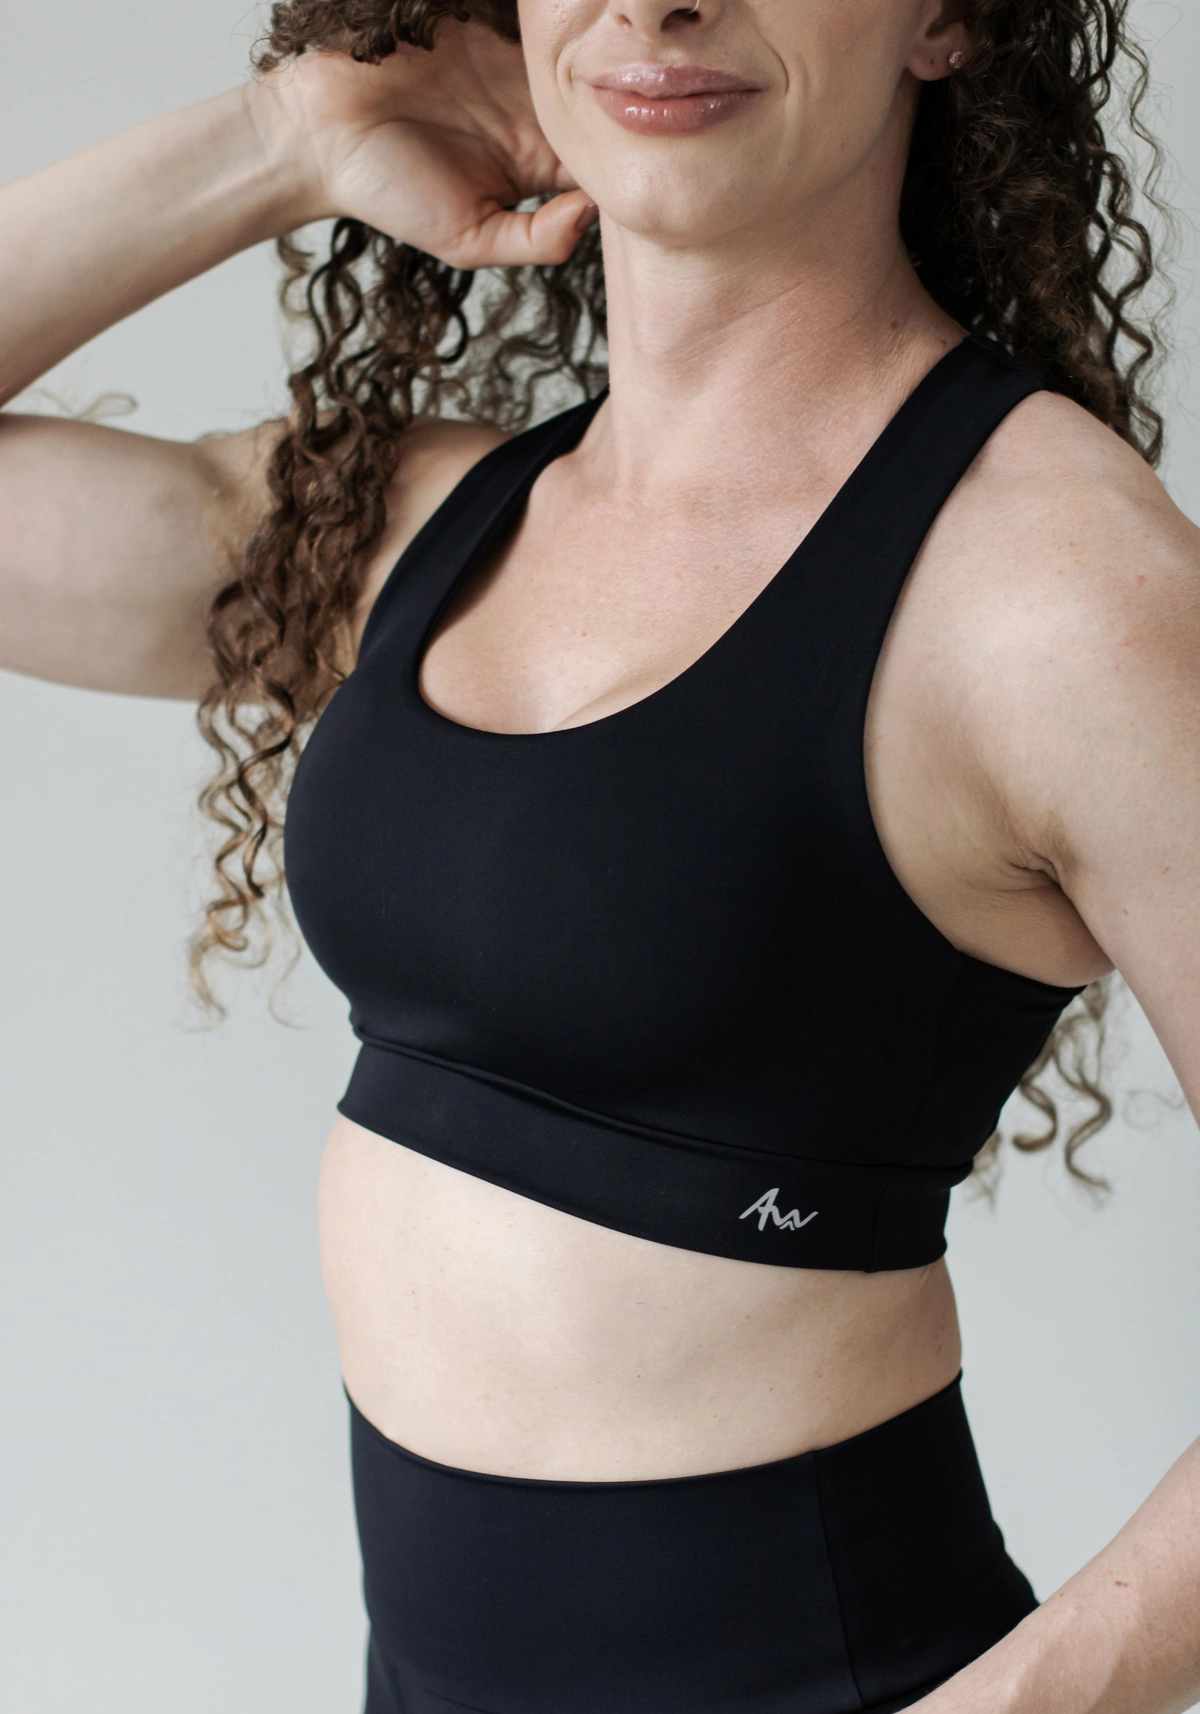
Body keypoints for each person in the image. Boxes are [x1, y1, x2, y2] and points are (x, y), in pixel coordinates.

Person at [2, 0, 1198, 1709]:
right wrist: (282, 143)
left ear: (945, 19)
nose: (661, 0)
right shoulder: (422, 530)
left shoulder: (1054, 587)